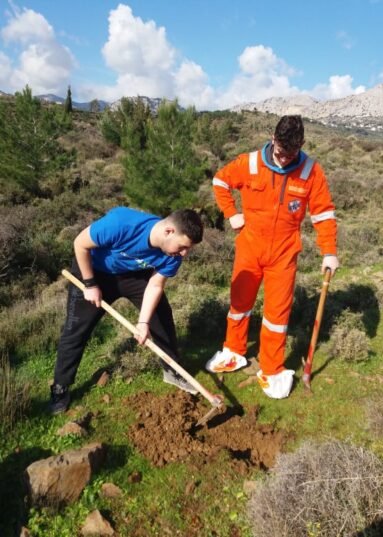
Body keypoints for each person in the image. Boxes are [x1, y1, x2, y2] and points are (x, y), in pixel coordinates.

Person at [206, 115, 339, 399]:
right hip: (250, 247)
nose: (282, 159)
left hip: (284, 252)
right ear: (273, 138)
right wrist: (232, 214)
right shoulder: (249, 163)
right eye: (279, 151)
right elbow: (220, 182)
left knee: (277, 315)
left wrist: (329, 251)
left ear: (301, 144)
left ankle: (271, 367)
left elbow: (323, 213)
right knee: (239, 304)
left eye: (289, 153)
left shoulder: (311, 171)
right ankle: (234, 351)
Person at [50, 207, 203, 415]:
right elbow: (80, 243)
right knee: (76, 329)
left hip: (134, 276)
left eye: (188, 249)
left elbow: (155, 286)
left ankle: (173, 371)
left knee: (161, 317)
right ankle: (60, 387)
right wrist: (90, 284)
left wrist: (143, 322)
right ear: (169, 231)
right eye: (183, 246)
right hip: (94, 271)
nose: (184, 253)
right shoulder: (121, 223)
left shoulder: (172, 255)